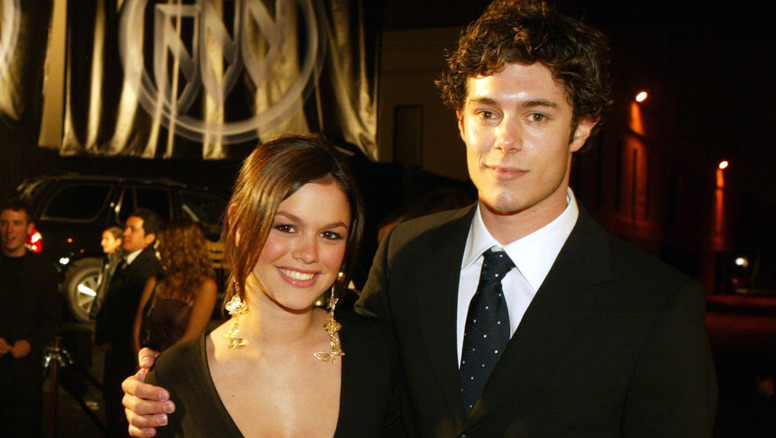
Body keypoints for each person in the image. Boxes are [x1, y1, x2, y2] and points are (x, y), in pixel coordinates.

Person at [123, 1, 718, 435]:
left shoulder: (657, 306)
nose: (504, 141)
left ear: (583, 128)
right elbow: (328, 357)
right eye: (486, 112)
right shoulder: (405, 254)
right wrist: (178, 380)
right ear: (460, 121)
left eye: (536, 116)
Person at [127, 134, 401, 437]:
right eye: (286, 227)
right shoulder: (172, 380)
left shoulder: (380, 354)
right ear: (238, 225)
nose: (309, 254)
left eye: (330, 235)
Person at [95, 208, 164, 437]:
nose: (125, 233)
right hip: (116, 351)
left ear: (150, 237)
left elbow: (135, 314)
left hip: (129, 355)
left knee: (122, 418)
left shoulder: (147, 268)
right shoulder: (127, 262)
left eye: (133, 229)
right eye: (126, 228)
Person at [0, 198, 60, 437]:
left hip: (26, 373)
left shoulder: (42, 268)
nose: (9, 229)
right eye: (4, 223)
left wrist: (31, 343)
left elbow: (53, 318)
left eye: (16, 223)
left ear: (28, 227)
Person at [132, 218, 217, 356]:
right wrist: (140, 359)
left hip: (179, 364)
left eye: (162, 242)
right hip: (147, 361)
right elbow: (138, 327)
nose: (157, 248)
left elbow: (192, 335)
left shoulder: (205, 286)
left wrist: (158, 363)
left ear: (178, 246)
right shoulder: (156, 282)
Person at [90, 226, 125, 319]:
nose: (102, 243)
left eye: (107, 239)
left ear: (118, 241)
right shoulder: (107, 261)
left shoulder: (119, 262)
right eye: (102, 239)